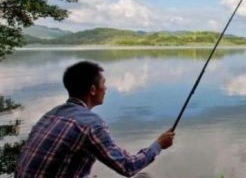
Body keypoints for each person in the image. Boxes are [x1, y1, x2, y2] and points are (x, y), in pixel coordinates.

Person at [15, 61, 175, 177]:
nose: (106, 88)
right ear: (92, 89)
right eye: (103, 84)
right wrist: (158, 145)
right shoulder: (90, 124)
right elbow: (128, 167)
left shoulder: (51, 114)